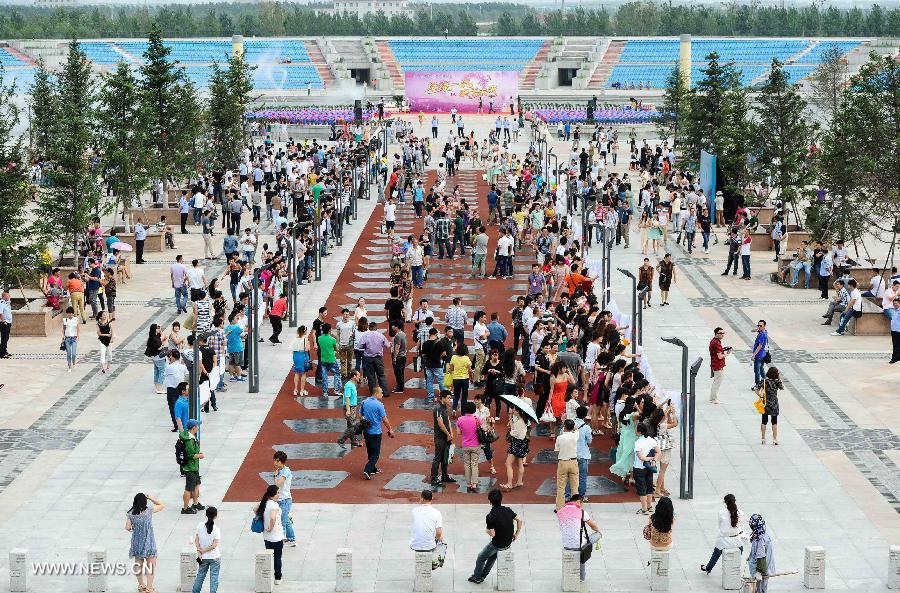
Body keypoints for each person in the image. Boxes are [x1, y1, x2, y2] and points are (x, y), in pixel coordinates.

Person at [468, 489, 523, 584]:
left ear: (490, 501)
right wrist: (517, 534)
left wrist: (486, 530)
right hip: (508, 542)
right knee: (492, 557)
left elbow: (492, 534)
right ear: (501, 499)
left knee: (481, 557)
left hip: (498, 543)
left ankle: (477, 577)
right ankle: (483, 576)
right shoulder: (508, 510)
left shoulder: (490, 516)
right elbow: (519, 520)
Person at [125, 493, 164, 593]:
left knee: (138, 564)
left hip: (136, 542)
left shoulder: (131, 513)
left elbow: (127, 527)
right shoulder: (149, 510)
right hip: (149, 541)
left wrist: (134, 528)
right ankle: (149, 588)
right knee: (150, 565)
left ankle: (141, 585)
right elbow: (161, 505)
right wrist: (150, 497)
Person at [557, 494, 601, 582]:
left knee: (580, 543)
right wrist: (598, 530)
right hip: (579, 544)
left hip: (566, 544)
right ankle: (582, 577)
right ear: (578, 501)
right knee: (597, 535)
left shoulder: (560, 511)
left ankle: (581, 577)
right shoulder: (582, 512)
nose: (581, 505)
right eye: (581, 503)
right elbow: (593, 526)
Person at [700, 494, 744, 574]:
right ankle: (734, 568)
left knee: (716, 554)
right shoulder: (741, 512)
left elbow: (720, 527)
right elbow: (741, 527)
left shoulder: (721, 513)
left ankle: (708, 568)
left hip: (724, 540)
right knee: (741, 548)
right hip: (737, 540)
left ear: (725, 503)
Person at [360, 386, 394, 479]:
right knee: (376, 454)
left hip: (366, 431)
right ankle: (367, 469)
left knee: (370, 450)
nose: (382, 395)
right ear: (376, 393)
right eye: (381, 393)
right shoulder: (379, 405)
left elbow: (361, 415)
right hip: (376, 432)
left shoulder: (364, 402)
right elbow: (385, 419)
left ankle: (373, 469)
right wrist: (390, 429)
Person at [254, 485, 284, 584]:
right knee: (277, 558)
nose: (279, 494)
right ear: (273, 495)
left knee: (270, 556)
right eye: (278, 493)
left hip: (267, 537)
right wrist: (270, 528)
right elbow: (272, 517)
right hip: (277, 536)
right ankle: (277, 578)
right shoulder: (274, 505)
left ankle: (268, 576)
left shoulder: (264, 503)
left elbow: (255, 509)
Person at [192, 507, 221, 593]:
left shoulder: (200, 525)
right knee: (214, 578)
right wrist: (203, 550)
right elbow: (214, 545)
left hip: (202, 557)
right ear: (215, 516)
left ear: (206, 515)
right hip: (215, 557)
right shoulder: (216, 529)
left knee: (200, 576)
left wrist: (199, 551)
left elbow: (196, 539)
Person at [429, 391, 455, 488]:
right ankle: (434, 478)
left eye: (450, 398)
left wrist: (451, 433)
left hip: (447, 437)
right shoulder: (437, 408)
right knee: (438, 458)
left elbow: (448, 420)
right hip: (440, 437)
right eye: (448, 398)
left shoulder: (444, 407)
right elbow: (440, 423)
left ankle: (444, 476)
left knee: (446, 457)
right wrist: (448, 433)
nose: (450, 400)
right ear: (443, 398)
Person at [457, 401, 483, 492]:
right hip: (476, 445)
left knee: (467, 464)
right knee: (474, 464)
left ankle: (468, 484)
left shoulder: (460, 419)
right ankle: (474, 484)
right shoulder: (477, 419)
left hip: (465, 445)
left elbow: (458, 432)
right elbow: (483, 428)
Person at [180, 419, 205, 514]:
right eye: (197, 426)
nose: (198, 427)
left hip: (194, 466)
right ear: (193, 428)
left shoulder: (191, 436)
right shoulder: (189, 440)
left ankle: (195, 503)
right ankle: (185, 508)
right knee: (189, 488)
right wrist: (199, 455)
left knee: (197, 484)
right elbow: (189, 455)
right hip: (190, 467)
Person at [554, 419, 579, 509]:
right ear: (572, 427)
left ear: (564, 427)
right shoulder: (575, 436)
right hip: (573, 461)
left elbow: (557, 450)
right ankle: (576, 506)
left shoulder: (559, 438)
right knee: (575, 486)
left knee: (561, 487)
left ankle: (559, 507)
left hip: (563, 462)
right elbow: (576, 430)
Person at [273, 451, 296, 547]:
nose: (274, 462)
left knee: (282, 520)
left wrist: (275, 475)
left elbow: (278, 484)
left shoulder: (285, 471)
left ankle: (281, 541)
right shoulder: (279, 470)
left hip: (285, 500)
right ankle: (291, 539)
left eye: (276, 460)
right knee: (285, 519)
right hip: (280, 500)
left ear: (280, 461)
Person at [633, 423, 657, 514]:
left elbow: (640, 457)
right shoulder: (652, 440)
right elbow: (658, 452)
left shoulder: (638, 442)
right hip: (649, 467)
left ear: (639, 432)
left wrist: (649, 458)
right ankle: (650, 506)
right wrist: (653, 460)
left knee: (641, 488)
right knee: (649, 486)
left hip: (639, 468)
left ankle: (644, 509)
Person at [748, 514, 775, 593]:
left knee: (760, 589)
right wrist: (751, 556)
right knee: (763, 588)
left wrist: (759, 573)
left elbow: (761, 558)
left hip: (761, 570)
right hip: (765, 568)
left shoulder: (760, 540)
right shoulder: (763, 535)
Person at [760, 366, 783, 445]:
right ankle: (775, 439)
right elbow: (782, 388)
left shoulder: (764, 381)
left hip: (765, 403)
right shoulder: (777, 382)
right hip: (774, 404)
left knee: (764, 421)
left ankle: (763, 438)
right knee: (774, 421)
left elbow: (756, 388)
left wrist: (761, 396)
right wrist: (779, 378)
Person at [708, 327, 731, 404]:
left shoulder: (714, 341)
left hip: (715, 364)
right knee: (717, 382)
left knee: (716, 381)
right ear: (716, 334)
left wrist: (723, 350)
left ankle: (713, 397)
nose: (722, 335)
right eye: (720, 333)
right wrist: (727, 353)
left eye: (723, 333)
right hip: (717, 365)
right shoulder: (717, 343)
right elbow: (720, 356)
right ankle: (713, 399)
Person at [291, 325, 311, 396]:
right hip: (303, 355)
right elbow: (307, 349)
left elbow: (292, 349)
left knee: (296, 372)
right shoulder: (305, 339)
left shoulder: (295, 338)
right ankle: (302, 390)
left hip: (296, 355)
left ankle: (295, 389)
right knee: (303, 373)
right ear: (304, 331)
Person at [751, 320, 768, 389]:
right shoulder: (763, 332)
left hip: (759, 355)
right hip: (762, 354)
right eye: (758, 325)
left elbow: (760, 346)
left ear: (764, 326)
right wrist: (757, 329)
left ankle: (758, 385)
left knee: (757, 370)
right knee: (761, 369)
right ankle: (766, 382)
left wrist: (754, 355)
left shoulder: (762, 335)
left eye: (761, 325)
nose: (759, 327)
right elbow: (752, 330)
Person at [62, 306, 80, 371]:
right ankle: (69, 366)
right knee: (69, 353)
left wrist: (78, 336)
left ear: (73, 313)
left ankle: (74, 362)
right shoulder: (65, 320)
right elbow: (63, 329)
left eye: (71, 313)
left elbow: (78, 328)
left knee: (74, 353)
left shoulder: (76, 319)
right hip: (67, 338)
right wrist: (63, 337)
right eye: (68, 313)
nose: (70, 314)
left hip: (74, 338)